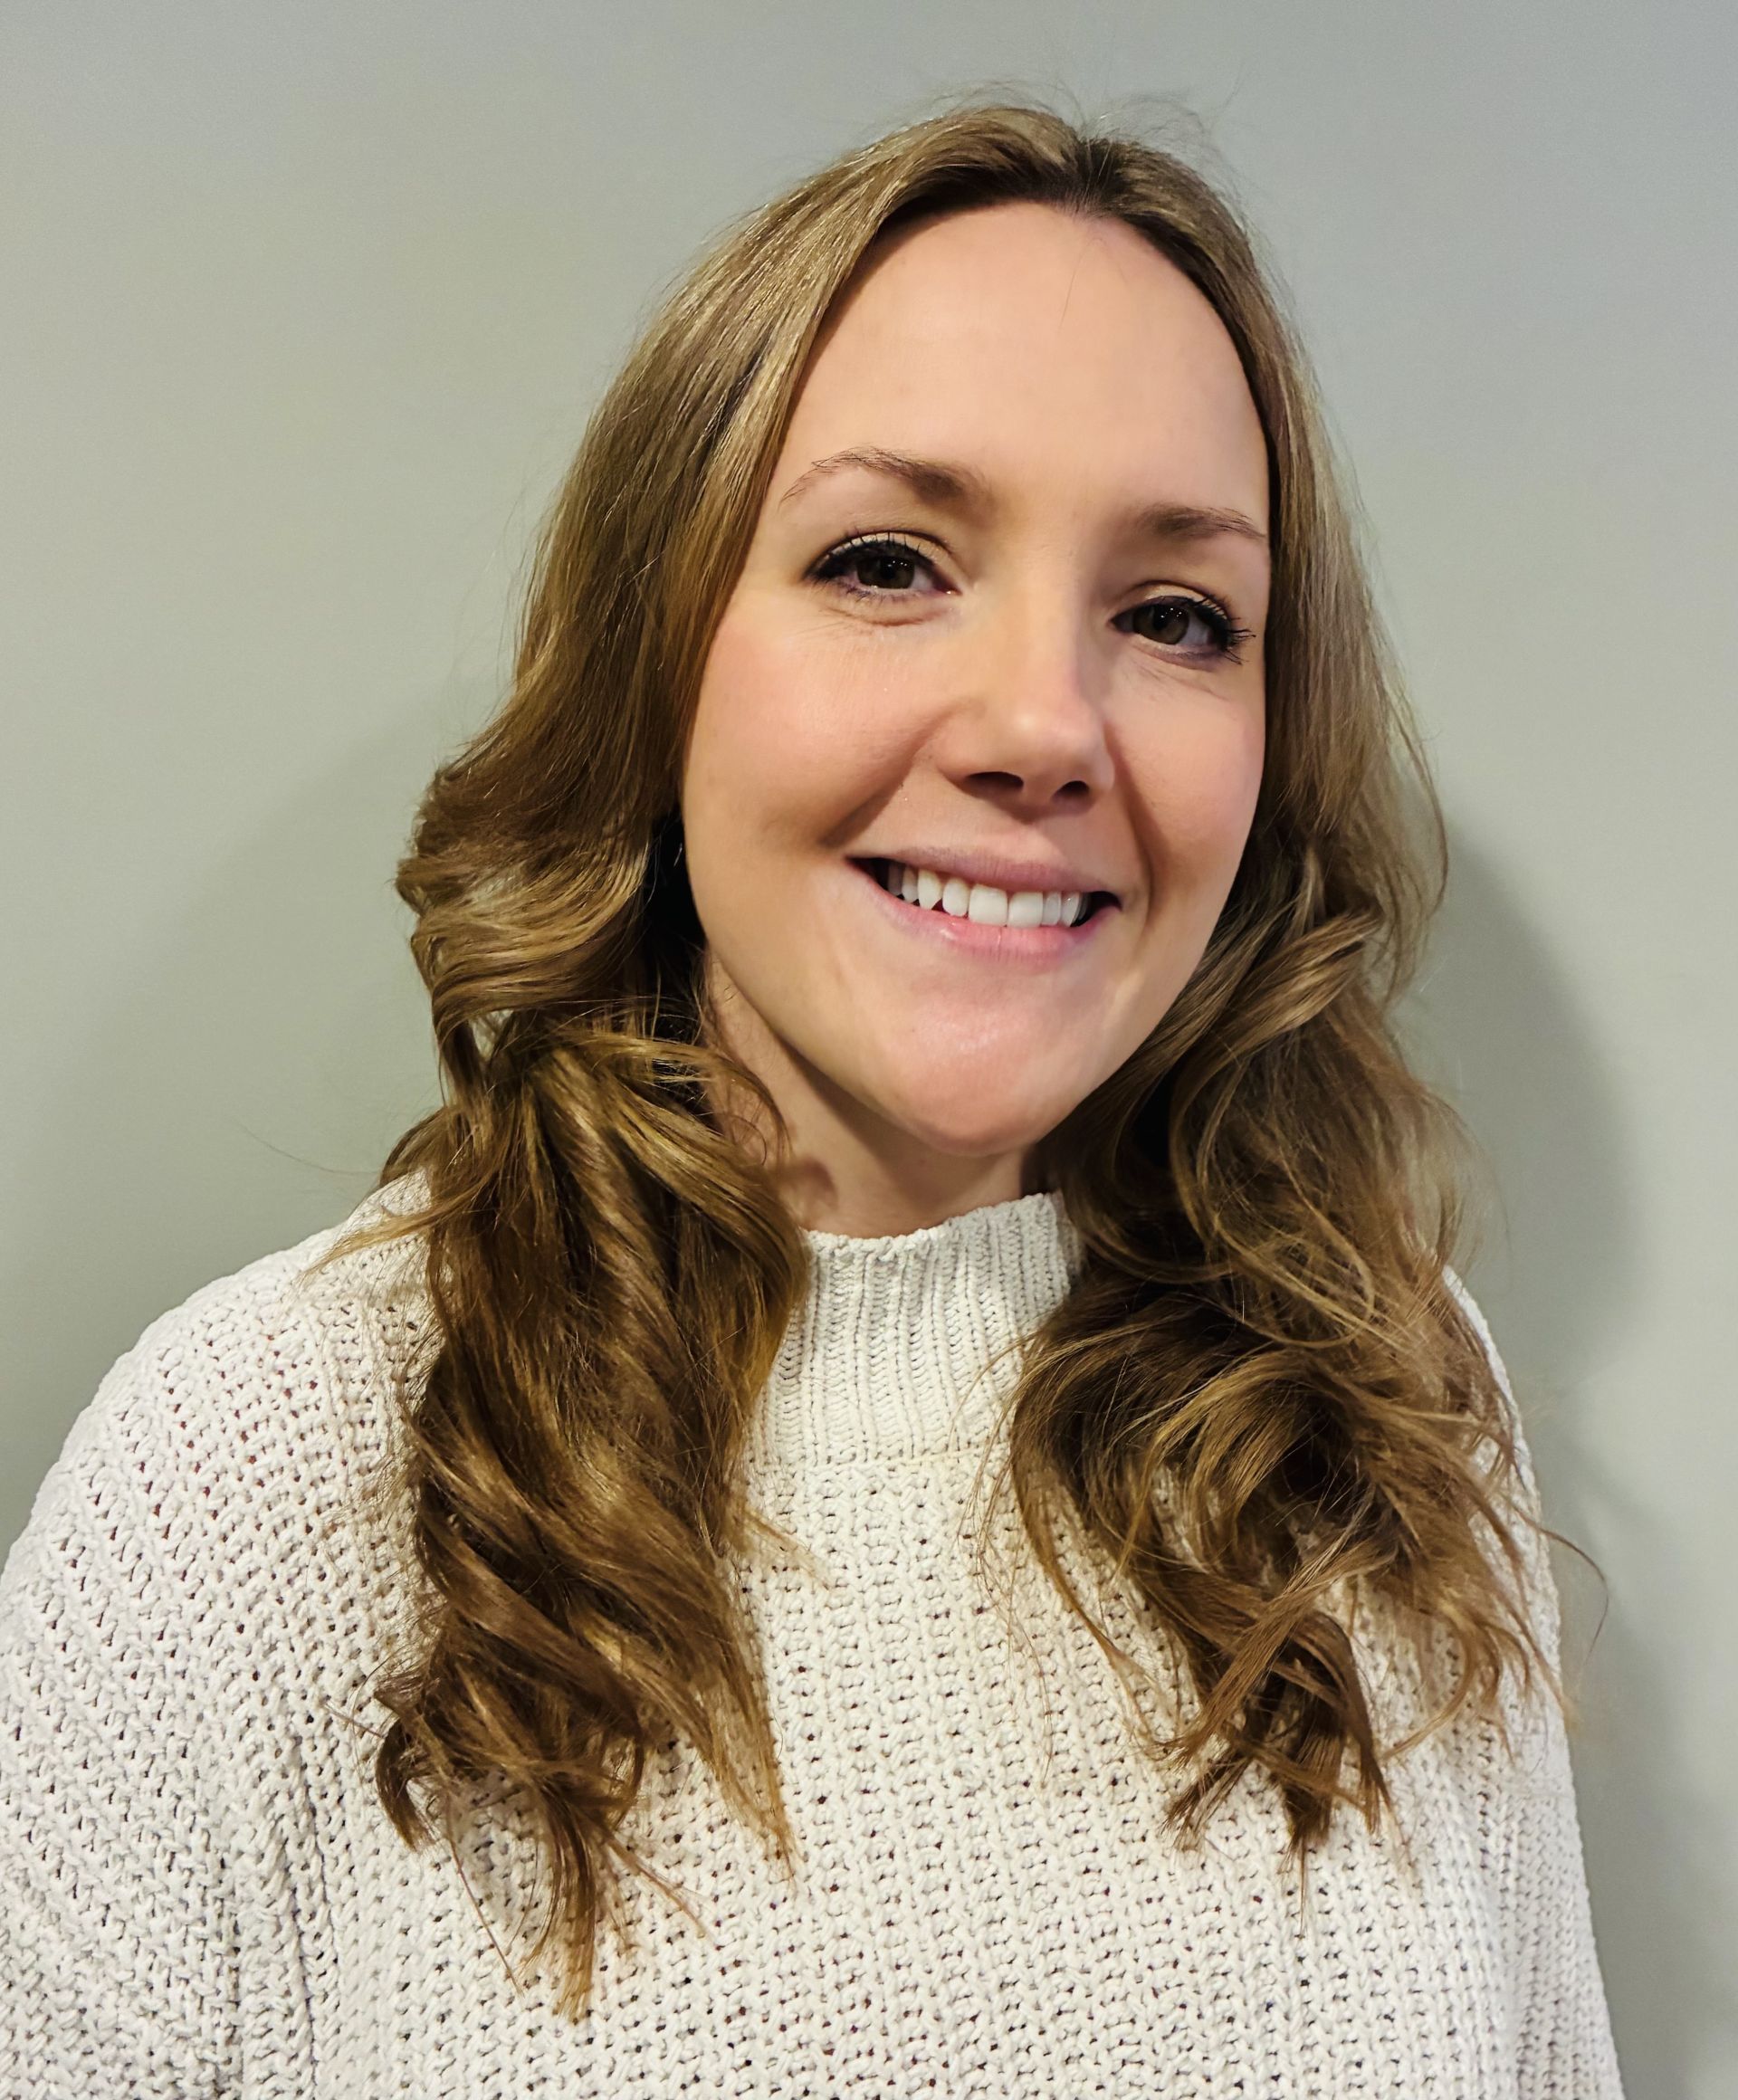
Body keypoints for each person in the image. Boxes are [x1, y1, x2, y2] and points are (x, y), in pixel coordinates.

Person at [0, 99, 1625, 2097]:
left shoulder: (1383, 1400)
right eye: (887, 560)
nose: (1045, 723)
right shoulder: (240, 1482)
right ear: (660, 653)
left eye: (1179, 613)